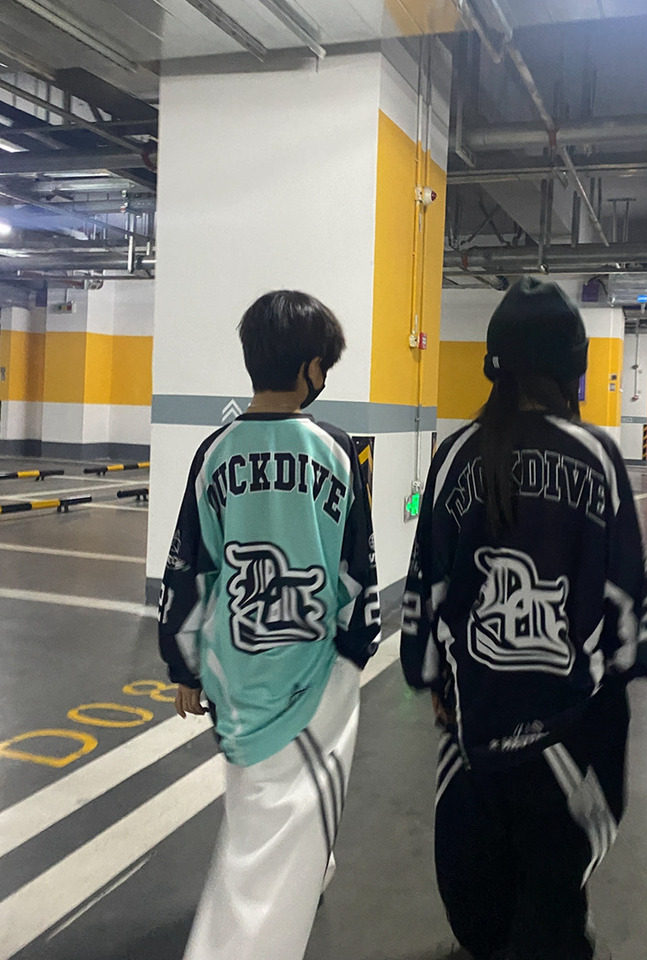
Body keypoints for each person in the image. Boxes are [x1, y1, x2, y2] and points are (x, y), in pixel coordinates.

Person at [400, 277, 647, 960]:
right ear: (573, 367)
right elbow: (626, 597)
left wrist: (431, 677)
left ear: (495, 363)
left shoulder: (454, 456)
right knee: (552, 901)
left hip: (474, 725)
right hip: (570, 732)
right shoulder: (596, 456)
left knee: (476, 896)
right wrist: (626, 668)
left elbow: (428, 583)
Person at [158, 290, 381, 960]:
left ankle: (309, 867)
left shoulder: (215, 452)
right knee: (291, 810)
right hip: (313, 670)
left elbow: (189, 567)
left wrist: (184, 665)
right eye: (325, 367)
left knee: (253, 796)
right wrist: (358, 646)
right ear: (311, 368)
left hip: (237, 668)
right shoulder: (336, 451)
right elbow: (358, 568)